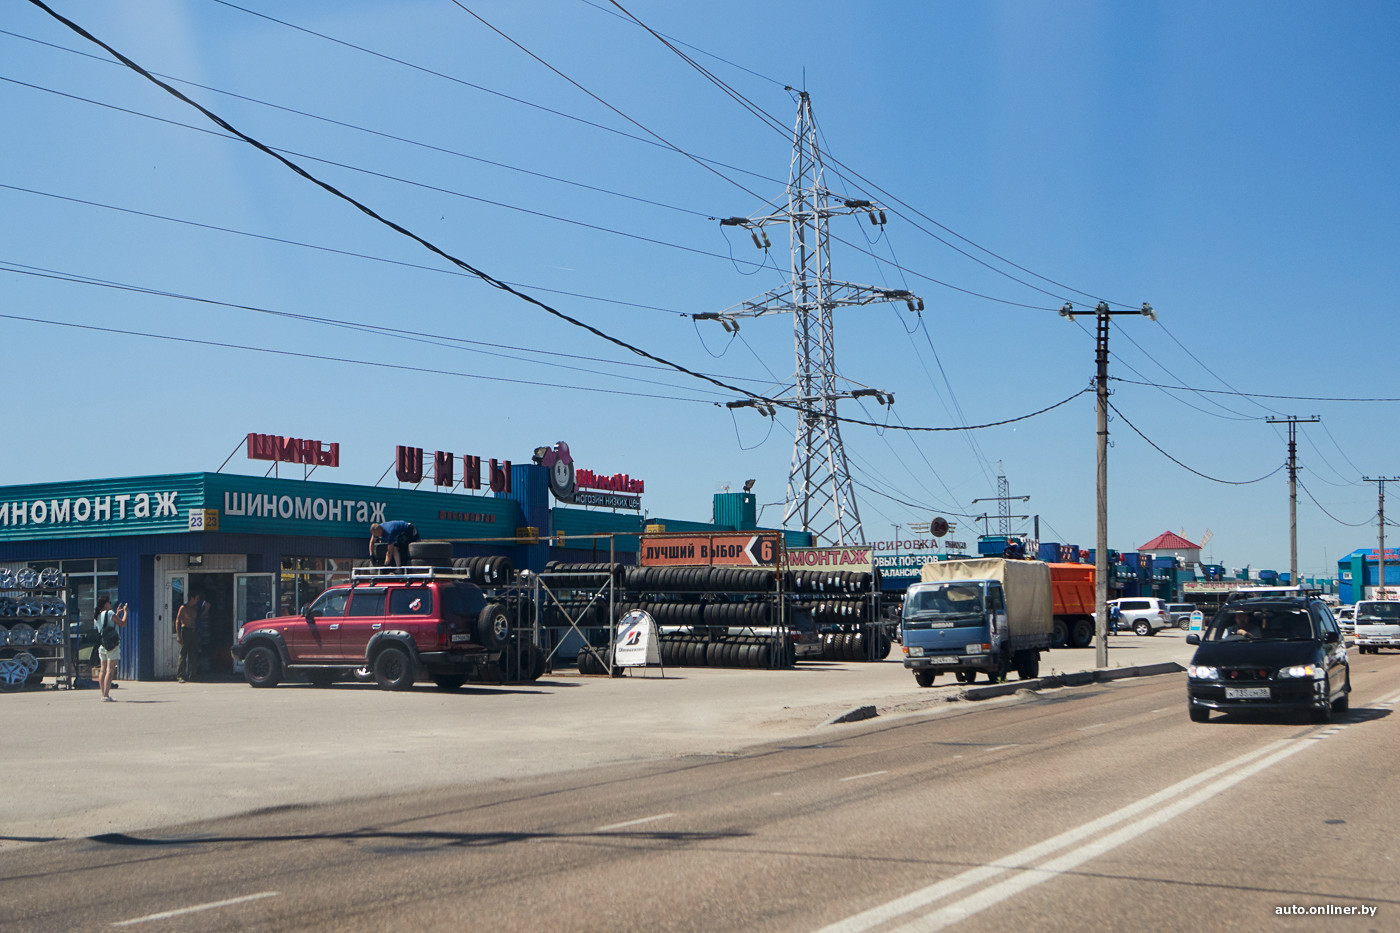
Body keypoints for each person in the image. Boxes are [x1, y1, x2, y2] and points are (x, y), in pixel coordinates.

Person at [94, 596, 127, 702]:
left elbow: (109, 625)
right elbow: (122, 623)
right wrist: (125, 612)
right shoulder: (109, 613)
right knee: (110, 669)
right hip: (112, 645)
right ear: (105, 604)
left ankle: (103, 694)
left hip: (103, 645)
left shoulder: (98, 616)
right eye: (109, 602)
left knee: (102, 670)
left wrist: (117, 613)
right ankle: (107, 695)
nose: (110, 603)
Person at [174, 592, 201, 683]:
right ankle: (180, 675)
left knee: (193, 653)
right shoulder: (183, 608)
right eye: (196, 598)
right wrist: (178, 635)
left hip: (192, 631)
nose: (197, 601)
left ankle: (192, 675)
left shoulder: (194, 609)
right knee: (183, 653)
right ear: (192, 598)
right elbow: (177, 621)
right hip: (185, 630)